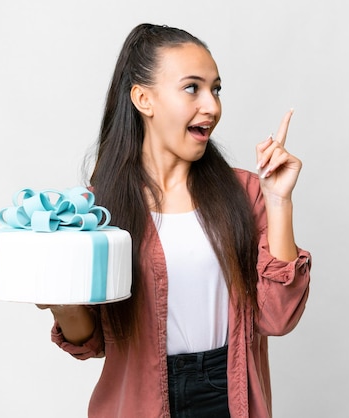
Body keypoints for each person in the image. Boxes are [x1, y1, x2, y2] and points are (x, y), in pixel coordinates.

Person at [39, 23, 311, 418]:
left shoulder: (246, 194)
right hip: (140, 399)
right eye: (192, 88)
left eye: (215, 89)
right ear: (143, 98)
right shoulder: (99, 210)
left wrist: (279, 200)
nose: (212, 106)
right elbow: (92, 341)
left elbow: (278, 317)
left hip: (227, 394)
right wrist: (62, 305)